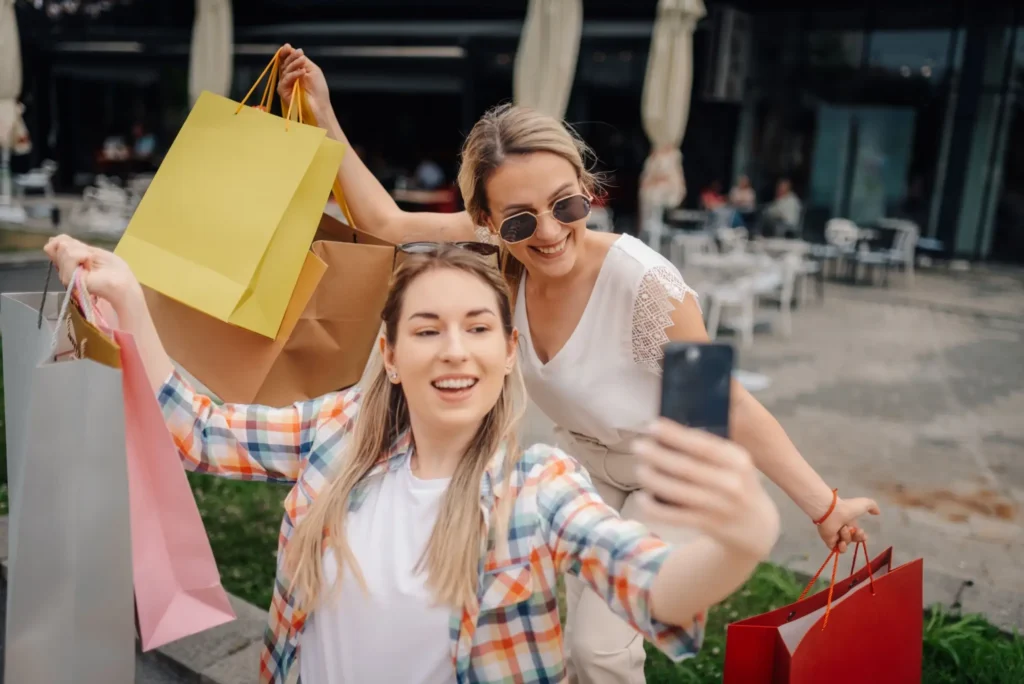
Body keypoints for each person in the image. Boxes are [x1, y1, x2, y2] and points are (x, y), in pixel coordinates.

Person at [274, 44, 879, 684]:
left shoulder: (645, 285)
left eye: (567, 205)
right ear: (487, 221)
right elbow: (385, 221)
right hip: (586, 469)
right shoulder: (505, 259)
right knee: (558, 642)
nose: (549, 232)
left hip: (668, 473)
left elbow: (718, 404)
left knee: (600, 647)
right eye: (518, 221)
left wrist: (824, 506)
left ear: (589, 189)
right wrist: (324, 113)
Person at [45, 235, 780, 684]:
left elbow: (653, 584)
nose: (454, 350)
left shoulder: (538, 487)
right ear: (391, 358)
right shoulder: (338, 432)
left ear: (506, 355)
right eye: (427, 330)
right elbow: (200, 432)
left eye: (476, 328)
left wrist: (740, 541)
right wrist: (131, 305)